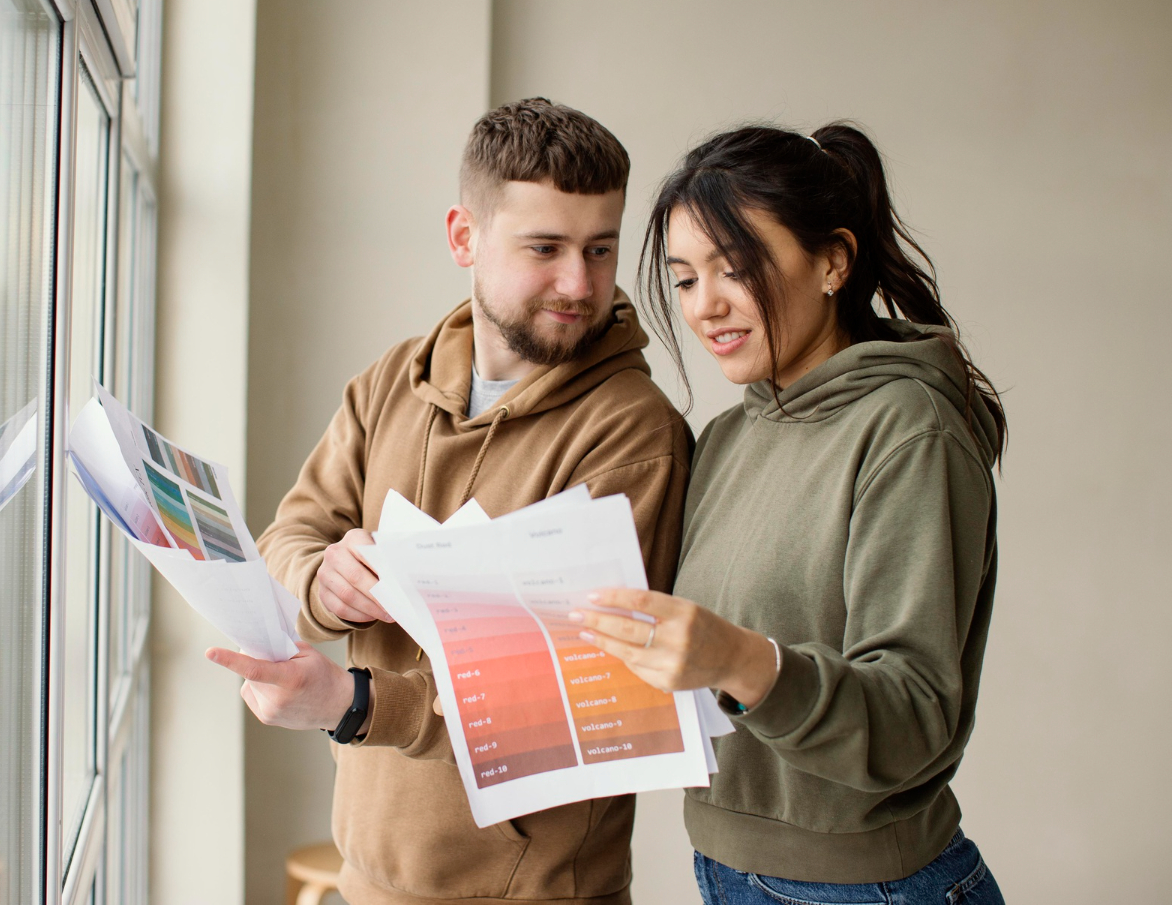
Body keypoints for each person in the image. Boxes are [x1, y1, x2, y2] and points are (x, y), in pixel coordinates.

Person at [206, 98, 693, 905]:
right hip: (368, 877)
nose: (580, 283)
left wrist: (356, 703)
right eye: (546, 247)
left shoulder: (634, 434)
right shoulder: (393, 381)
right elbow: (288, 535)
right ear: (464, 237)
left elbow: (581, 697)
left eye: (599, 250)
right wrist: (322, 585)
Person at [573, 123, 1009, 903]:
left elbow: (914, 713)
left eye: (735, 268)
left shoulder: (910, 431)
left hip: (871, 887)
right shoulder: (730, 437)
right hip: (727, 873)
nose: (706, 306)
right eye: (683, 279)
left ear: (833, 261)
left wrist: (743, 662)